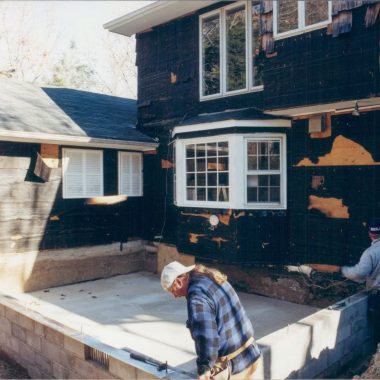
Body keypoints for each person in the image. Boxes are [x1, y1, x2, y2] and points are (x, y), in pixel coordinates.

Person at [161, 261, 261, 380]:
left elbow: (206, 335)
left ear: (179, 281)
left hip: (234, 368)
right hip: (251, 354)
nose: (175, 296)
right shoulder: (209, 278)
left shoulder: (197, 296)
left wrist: (204, 368)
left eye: (173, 290)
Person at [339, 219, 380, 347]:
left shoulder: (370, 253)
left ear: (370, 234)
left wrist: (343, 270)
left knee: (377, 329)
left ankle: (375, 360)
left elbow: (360, 273)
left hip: (378, 296)